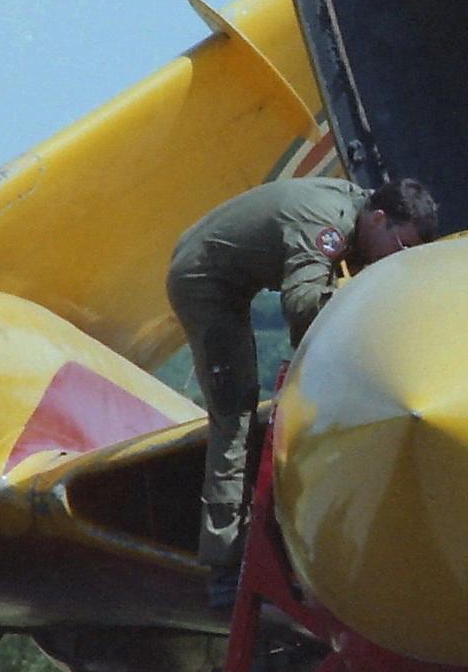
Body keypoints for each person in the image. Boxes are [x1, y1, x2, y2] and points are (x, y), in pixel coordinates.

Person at [167, 175, 439, 605]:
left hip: (230, 267)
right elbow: (303, 307)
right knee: (234, 412)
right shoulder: (324, 225)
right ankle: (224, 564)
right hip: (202, 279)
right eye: (400, 248)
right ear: (381, 219)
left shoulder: (362, 214)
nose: (397, 261)